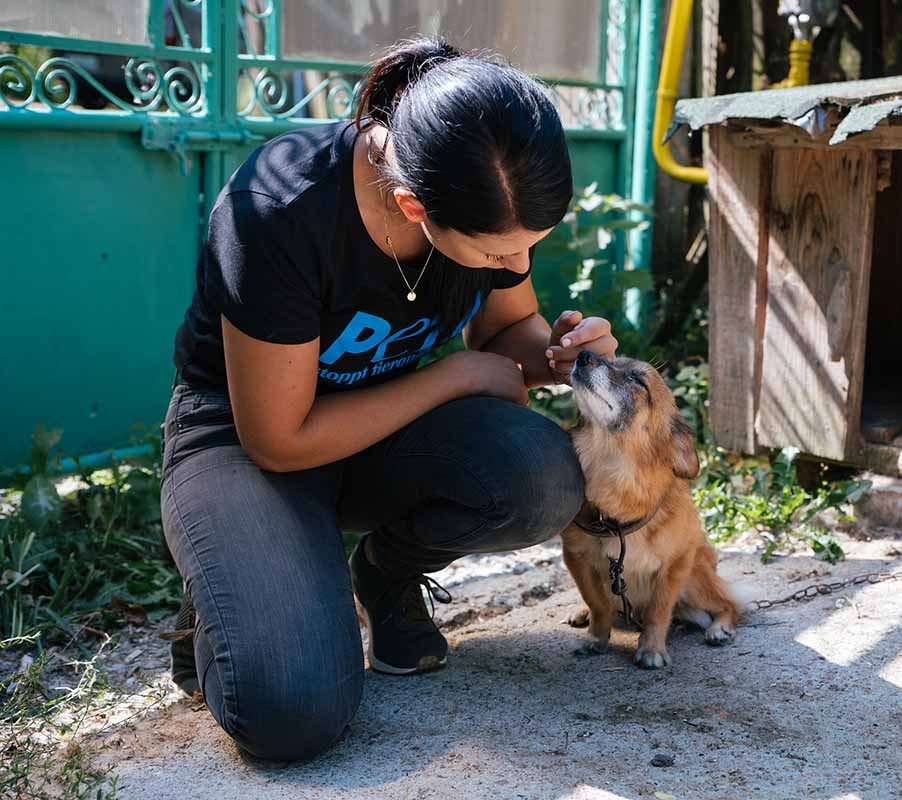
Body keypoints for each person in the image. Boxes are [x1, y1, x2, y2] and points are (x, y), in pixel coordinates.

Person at [159, 35, 616, 762]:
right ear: (411, 203)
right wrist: (456, 377)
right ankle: (226, 587)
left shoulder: (481, 185)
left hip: (386, 424)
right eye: (500, 253)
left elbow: (510, 332)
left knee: (541, 475)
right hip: (246, 439)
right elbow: (278, 438)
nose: (517, 264)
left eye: (530, 246)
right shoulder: (279, 207)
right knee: (292, 715)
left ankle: (385, 571)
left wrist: (563, 355)